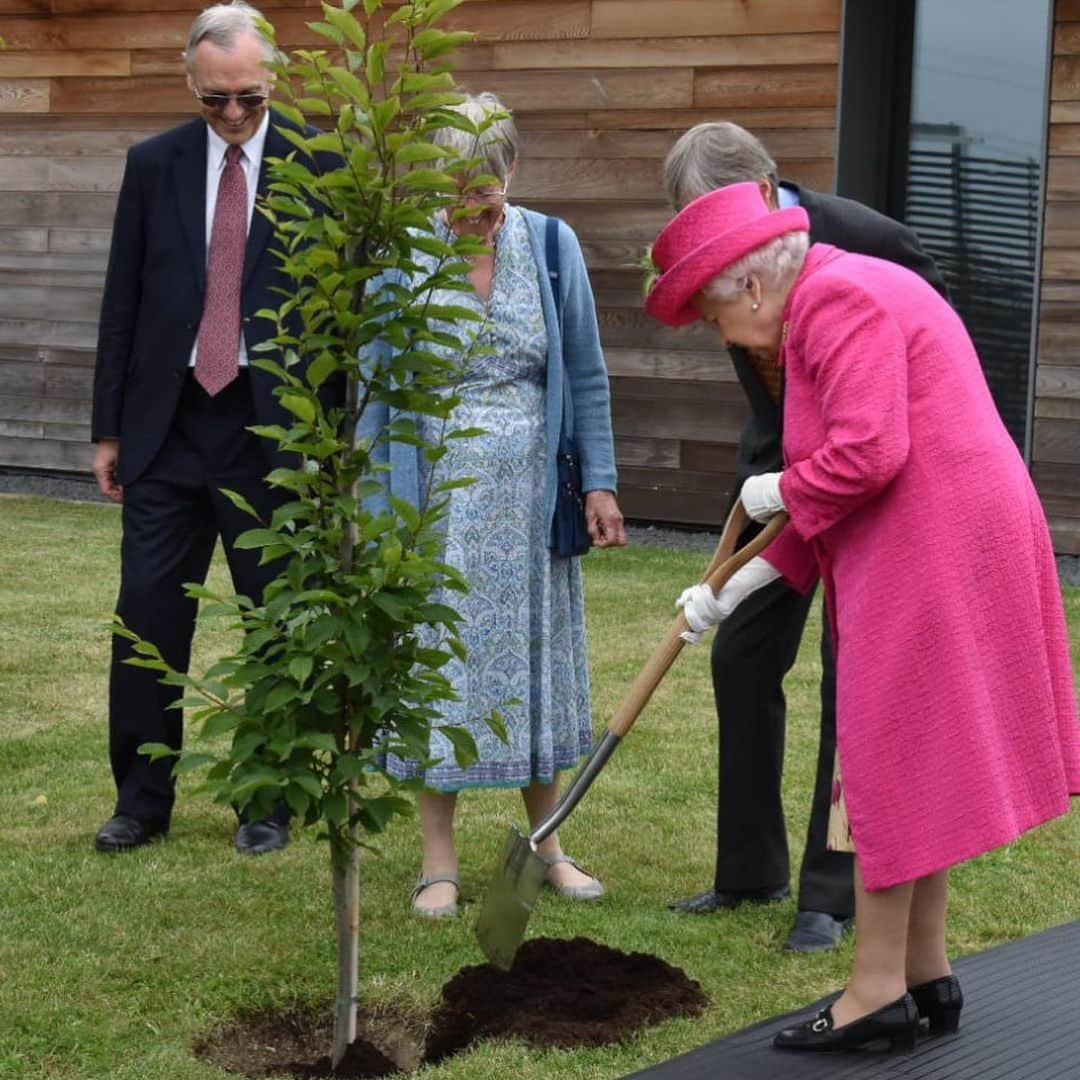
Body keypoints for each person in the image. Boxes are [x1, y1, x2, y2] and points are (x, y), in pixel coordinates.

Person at [644, 181, 1080, 1051]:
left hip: (934, 540)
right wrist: (735, 587)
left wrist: (777, 488)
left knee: (885, 760)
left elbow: (866, 458)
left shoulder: (836, 301)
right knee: (918, 755)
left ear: (754, 289)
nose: (717, 335)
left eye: (712, 315)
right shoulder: (851, 284)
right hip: (948, 528)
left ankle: (875, 991)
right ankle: (926, 970)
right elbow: (837, 489)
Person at [660, 122, 948, 953]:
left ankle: (832, 891)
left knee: (850, 674)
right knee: (740, 652)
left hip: (872, 480)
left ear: (760, 191)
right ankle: (749, 870)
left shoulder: (869, 242)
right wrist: (775, 486)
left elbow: (930, 357)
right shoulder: (723, 263)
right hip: (779, 472)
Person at [360, 92, 627, 917]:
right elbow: (375, 390)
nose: (471, 204)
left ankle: (547, 844)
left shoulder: (551, 244)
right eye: (455, 186)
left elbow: (582, 372)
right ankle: (438, 857)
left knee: (535, 669)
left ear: (512, 170)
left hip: (531, 501)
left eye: (486, 186)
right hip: (434, 504)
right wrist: (376, 510)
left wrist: (601, 482)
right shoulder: (401, 256)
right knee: (439, 669)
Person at [90, 2, 339, 855]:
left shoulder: (319, 162)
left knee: (274, 624)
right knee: (148, 618)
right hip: (166, 428)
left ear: (271, 82)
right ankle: (140, 799)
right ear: (191, 83)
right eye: (216, 100)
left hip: (271, 434)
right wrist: (107, 428)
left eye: (249, 98)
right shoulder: (152, 165)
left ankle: (266, 801)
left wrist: (330, 444)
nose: (233, 115)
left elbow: (339, 318)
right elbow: (121, 300)